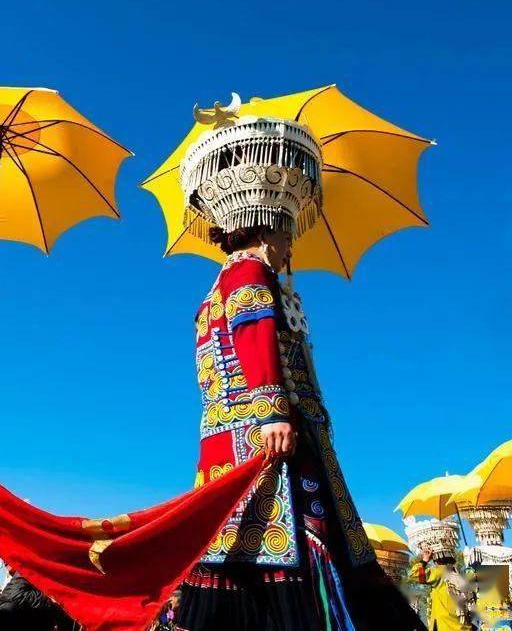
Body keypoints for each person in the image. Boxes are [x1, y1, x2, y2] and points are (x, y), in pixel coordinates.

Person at [172, 105, 425, 630]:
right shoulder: (247, 274)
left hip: (231, 440)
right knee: (294, 549)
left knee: (245, 555)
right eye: (287, 231)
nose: (291, 243)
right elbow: (254, 333)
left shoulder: (217, 289)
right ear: (268, 227)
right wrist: (273, 412)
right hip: (271, 441)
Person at [407, 522, 477, 631]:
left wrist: (425, 559)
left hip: (445, 626)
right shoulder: (460, 575)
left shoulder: (439, 571)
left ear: (435, 558)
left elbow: (414, 574)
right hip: (464, 627)